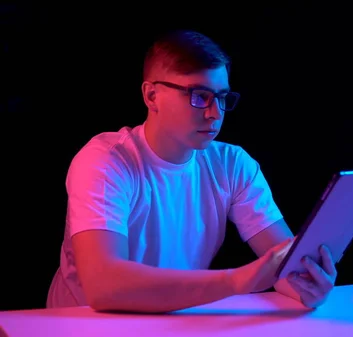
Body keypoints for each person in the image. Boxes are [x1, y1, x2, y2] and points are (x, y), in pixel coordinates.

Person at [46, 29, 337, 313]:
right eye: (199, 95)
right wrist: (237, 280)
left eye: (222, 98)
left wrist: (307, 284)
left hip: (173, 323)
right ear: (151, 96)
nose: (214, 113)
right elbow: (104, 287)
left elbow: (284, 267)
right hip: (84, 326)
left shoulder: (232, 164)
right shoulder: (106, 161)